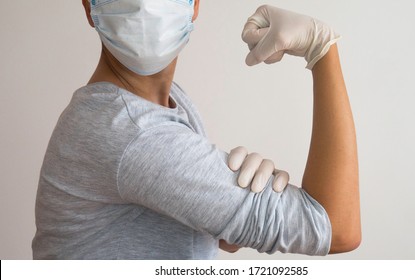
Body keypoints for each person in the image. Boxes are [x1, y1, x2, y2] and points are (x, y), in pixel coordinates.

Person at [32, 0, 361, 259]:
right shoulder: (134, 131)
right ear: (90, 7)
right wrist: (323, 50)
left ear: (195, 5)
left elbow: (204, 230)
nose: (146, 5)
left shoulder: (167, 103)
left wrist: (222, 220)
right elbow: (336, 228)